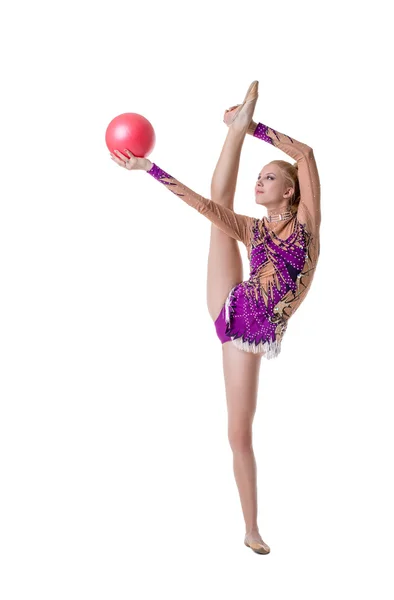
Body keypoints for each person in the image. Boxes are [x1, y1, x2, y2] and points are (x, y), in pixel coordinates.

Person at [110, 81, 321, 554]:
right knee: (216, 201)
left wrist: (258, 130)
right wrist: (151, 169)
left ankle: (250, 529)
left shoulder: (306, 220)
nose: (259, 182)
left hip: (250, 332)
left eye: (267, 178)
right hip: (234, 310)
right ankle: (252, 529)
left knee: (237, 431)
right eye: (259, 177)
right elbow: (206, 208)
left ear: (289, 190)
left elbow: (305, 155)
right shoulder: (253, 228)